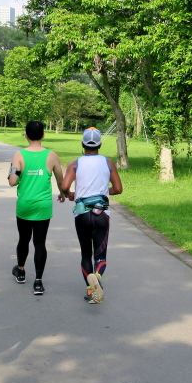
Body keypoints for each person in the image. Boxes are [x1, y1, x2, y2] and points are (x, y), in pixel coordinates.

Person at [61, 128, 122, 304]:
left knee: (86, 253)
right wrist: (102, 192)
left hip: (82, 214)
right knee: (100, 254)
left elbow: (64, 187)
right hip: (102, 214)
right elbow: (118, 189)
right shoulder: (108, 163)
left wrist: (71, 194)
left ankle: (90, 290)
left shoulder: (75, 164)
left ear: (83, 144)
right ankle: (97, 276)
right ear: (100, 145)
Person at [8, 121, 66, 294]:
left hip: (25, 205)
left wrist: (15, 171)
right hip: (43, 205)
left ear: (26, 135)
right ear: (43, 135)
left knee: (23, 239)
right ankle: (38, 282)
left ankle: (20, 271)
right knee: (40, 243)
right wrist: (62, 193)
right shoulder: (52, 156)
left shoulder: (19, 155)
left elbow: (12, 182)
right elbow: (60, 180)